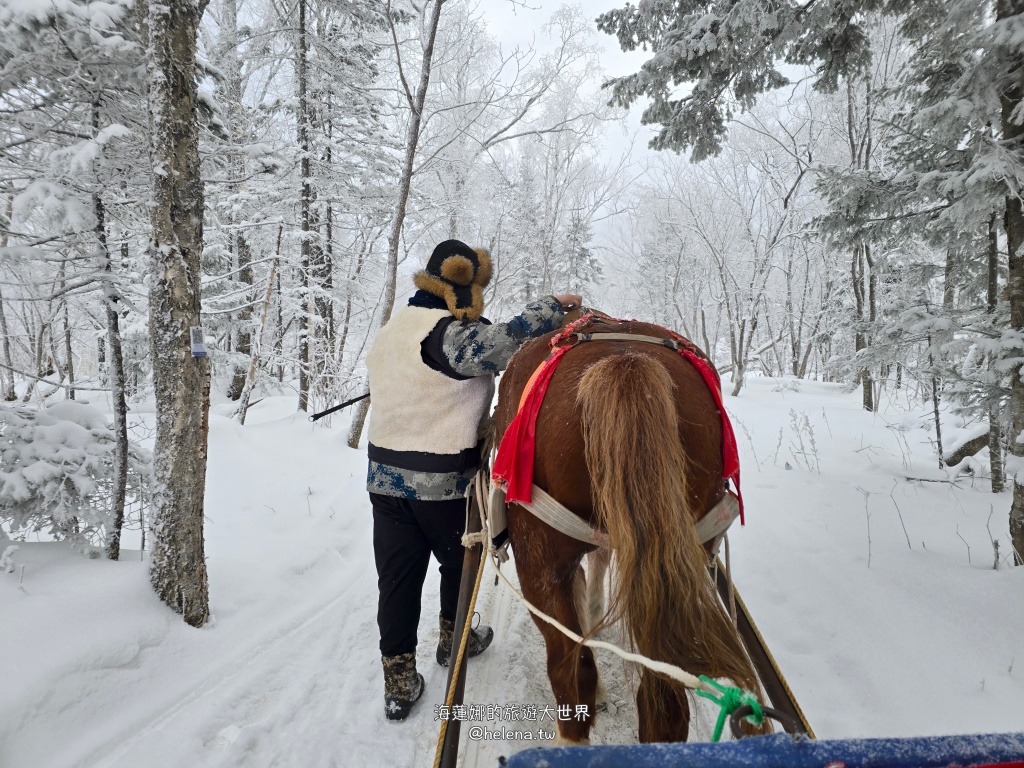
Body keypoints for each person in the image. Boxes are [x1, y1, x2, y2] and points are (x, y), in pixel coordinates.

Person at [365, 239, 582, 721]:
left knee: (397, 580)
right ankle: (452, 639)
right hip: (442, 480)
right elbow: (491, 350)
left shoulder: (394, 328)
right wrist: (547, 310)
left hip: (384, 480)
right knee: (458, 562)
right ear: (462, 287)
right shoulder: (444, 335)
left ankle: (398, 682)